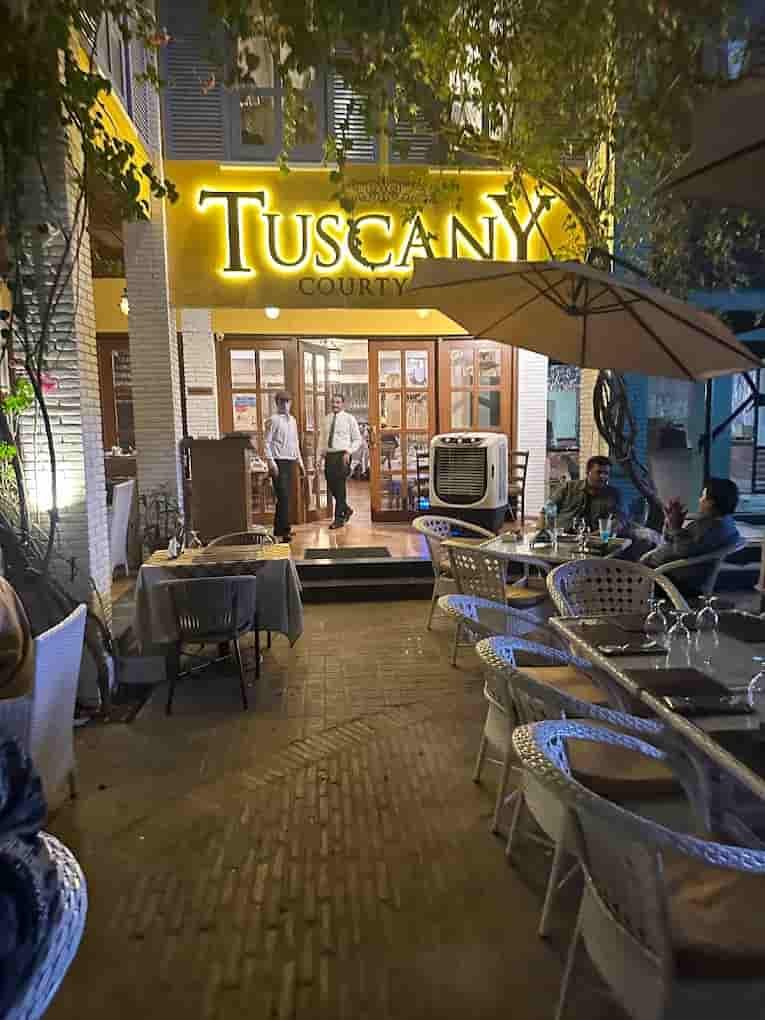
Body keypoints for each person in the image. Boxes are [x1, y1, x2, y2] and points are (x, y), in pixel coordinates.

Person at [643, 478, 741, 594]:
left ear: (711, 502)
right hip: (663, 572)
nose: (700, 500)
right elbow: (671, 540)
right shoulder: (716, 522)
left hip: (672, 581)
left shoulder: (714, 528)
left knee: (624, 569)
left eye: (702, 496)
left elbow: (682, 550)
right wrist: (670, 522)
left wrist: (675, 527)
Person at [543, 455, 624, 532]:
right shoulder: (568, 487)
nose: (603, 476)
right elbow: (546, 511)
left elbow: (620, 520)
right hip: (563, 536)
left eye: (606, 473)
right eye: (599, 472)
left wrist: (597, 534)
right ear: (587, 472)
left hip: (595, 538)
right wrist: (543, 532)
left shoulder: (613, 494)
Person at [264, 391, 304, 541]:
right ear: (277, 403)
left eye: (287, 402)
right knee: (283, 497)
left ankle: (279, 529)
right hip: (278, 461)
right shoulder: (273, 420)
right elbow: (266, 443)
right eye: (282, 402)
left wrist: (300, 462)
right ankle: (284, 531)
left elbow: (295, 442)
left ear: (290, 403)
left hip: (290, 461)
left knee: (285, 497)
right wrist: (271, 462)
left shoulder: (293, 420)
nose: (285, 405)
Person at [319, 393, 362, 530]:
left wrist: (349, 451)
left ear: (343, 404)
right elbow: (322, 439)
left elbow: (358, 439)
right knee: (331, 484)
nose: (335, 405)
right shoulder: (326, 419)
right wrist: (319, 456)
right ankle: (346, 509)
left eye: (338, 402)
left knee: (340, 486)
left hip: (343, 456)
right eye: (333, 402)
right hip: (329, 456)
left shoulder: (349, 419)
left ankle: (338, 519)